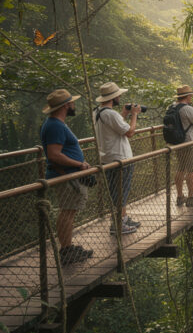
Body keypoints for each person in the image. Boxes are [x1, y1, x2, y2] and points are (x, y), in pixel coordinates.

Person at [40, 89, 94, 266]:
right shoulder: (55, 125)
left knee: (69, 211)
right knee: (67, 211)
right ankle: (65, 250)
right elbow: (54, 155)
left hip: (69, 175)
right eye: (72, 102)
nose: (73, 105)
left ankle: (68, 248)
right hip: (66, 176)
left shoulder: (56, 123)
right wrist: (79, 164)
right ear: (66, 105)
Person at [94, 82, 140, 235]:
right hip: (120, 158)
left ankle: (123, 218)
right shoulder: (111, 114)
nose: (120, 96)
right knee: (121, 191)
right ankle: (118, 225)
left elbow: (115, 125)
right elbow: (129, 132)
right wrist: (134, 115)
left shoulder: (98, 112)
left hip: (107, 157)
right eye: (118, 95)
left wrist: (124, 114)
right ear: (113, 97)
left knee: (117, 190)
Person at [170, 85, 193, 207]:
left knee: (181, 168)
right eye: (191, 96)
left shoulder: (173, 107)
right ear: (188, 96)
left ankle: (180, 196)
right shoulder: (187, 109)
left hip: (178, 142)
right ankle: (191, 197)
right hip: (190, 142)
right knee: (191, 170)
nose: (191, 98)